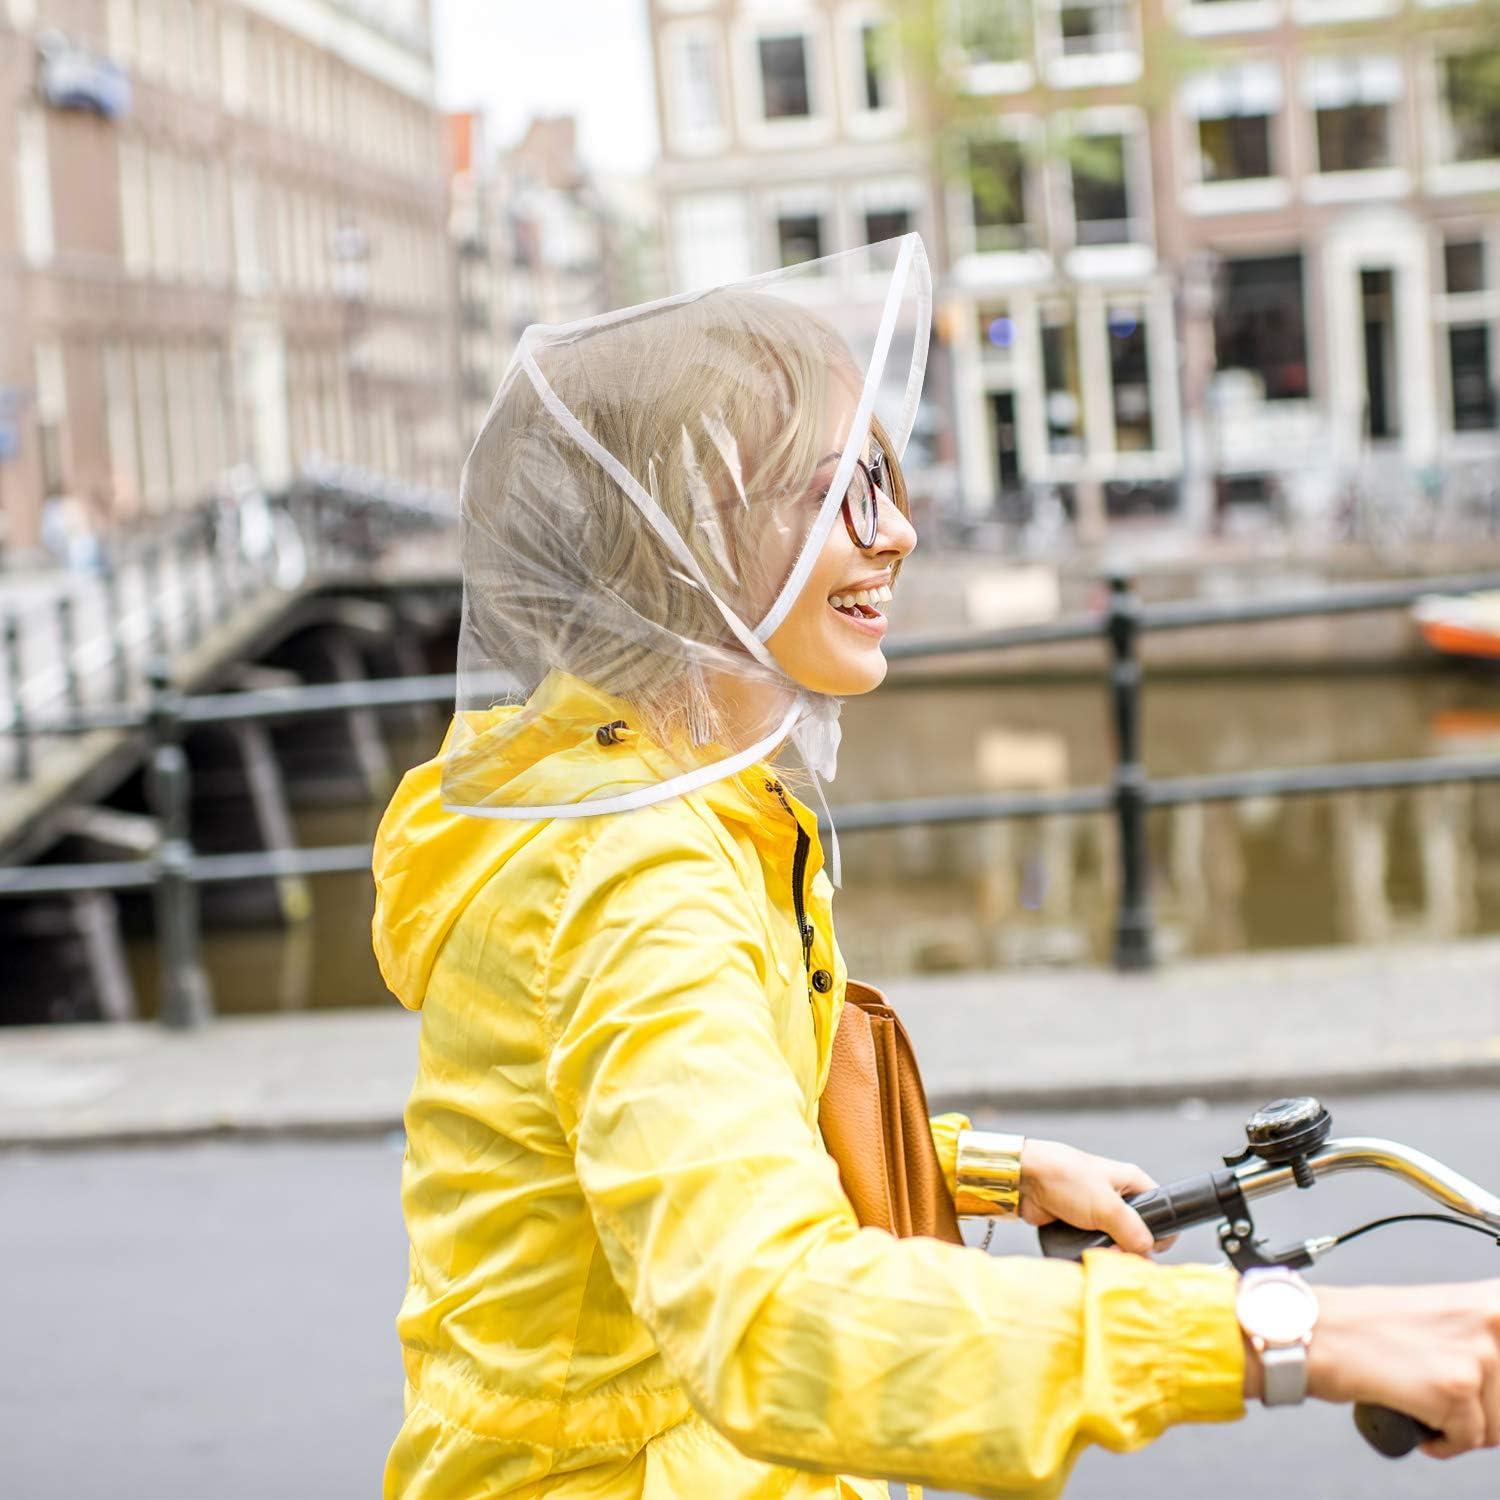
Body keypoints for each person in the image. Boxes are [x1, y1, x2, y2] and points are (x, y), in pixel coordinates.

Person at [372, 238, 1500, 1499]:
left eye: (888, 479)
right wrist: (1302, 1335)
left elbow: (710, 1117)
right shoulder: (627, 872)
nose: (898, 530)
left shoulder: (661, 793)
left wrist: (990, 1172)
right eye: (842, 490)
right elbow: (769, 1318)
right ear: (687, 535)